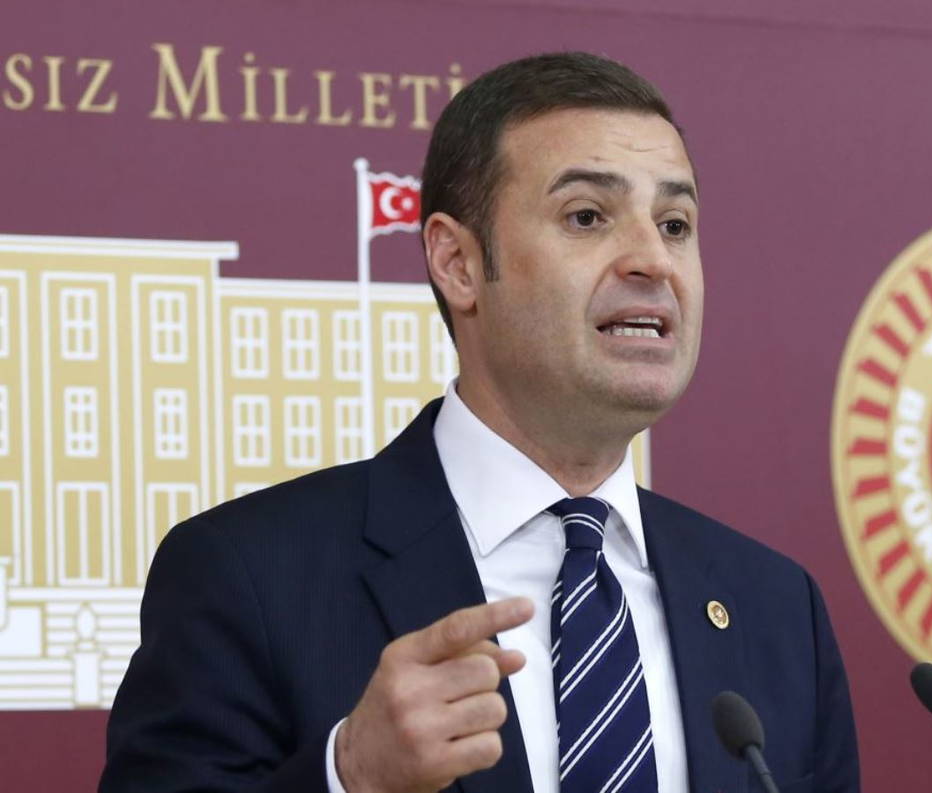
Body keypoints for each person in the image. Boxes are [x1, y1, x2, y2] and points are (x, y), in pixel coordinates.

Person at [101, 52, 859, 793]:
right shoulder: (248, 576)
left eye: (675, 223)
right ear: (458, 263)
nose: (653, 261)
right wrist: (349, 777)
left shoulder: (775, 605)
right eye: (587, 216)